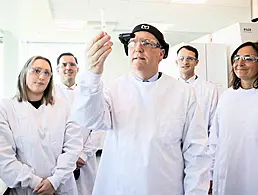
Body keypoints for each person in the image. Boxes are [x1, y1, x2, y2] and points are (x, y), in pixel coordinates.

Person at [71, 23, 211, 195]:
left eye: (146, 43)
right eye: (133, 43)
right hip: (119, 186)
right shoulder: (114, 89)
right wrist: (93, 75)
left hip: (164, 186)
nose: (138, 48)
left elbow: (196, 152)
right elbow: (89, 119)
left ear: (161, 54)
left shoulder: (183, 93)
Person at [0, 56, 82, 195]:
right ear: (25, 72)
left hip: (60, 187)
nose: (42, 77)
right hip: (25, 189)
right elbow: (4, 157)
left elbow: (73, 147)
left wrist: (54, 181)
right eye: (36, 71)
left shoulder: (63, 106)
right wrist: (35, 183)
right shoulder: (6, 108)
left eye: (46, 73)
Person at [208, 41, 258, 195]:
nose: (240, 63)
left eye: (248, 58)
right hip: (227, 172)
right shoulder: (227, 96)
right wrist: (210, 173)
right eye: (236, 58)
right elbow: (216, 138)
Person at [55, 52, 97, 195]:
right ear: (57, 69)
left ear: (77, 69)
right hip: (59, 158)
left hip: (85, 159)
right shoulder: (50, 94)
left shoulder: (88, 93)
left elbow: (98, 127)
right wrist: (68, 156)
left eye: (72, 64)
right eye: (64, 65)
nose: (68, 67)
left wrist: (83, 154)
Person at [176, 45, 218, 135]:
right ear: (176, 62)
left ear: (196, 62)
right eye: (181, 58)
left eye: (190, 59)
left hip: (201, 144)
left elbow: (214, 123)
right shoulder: (169, 88)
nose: (185, 62)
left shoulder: (209, 89)